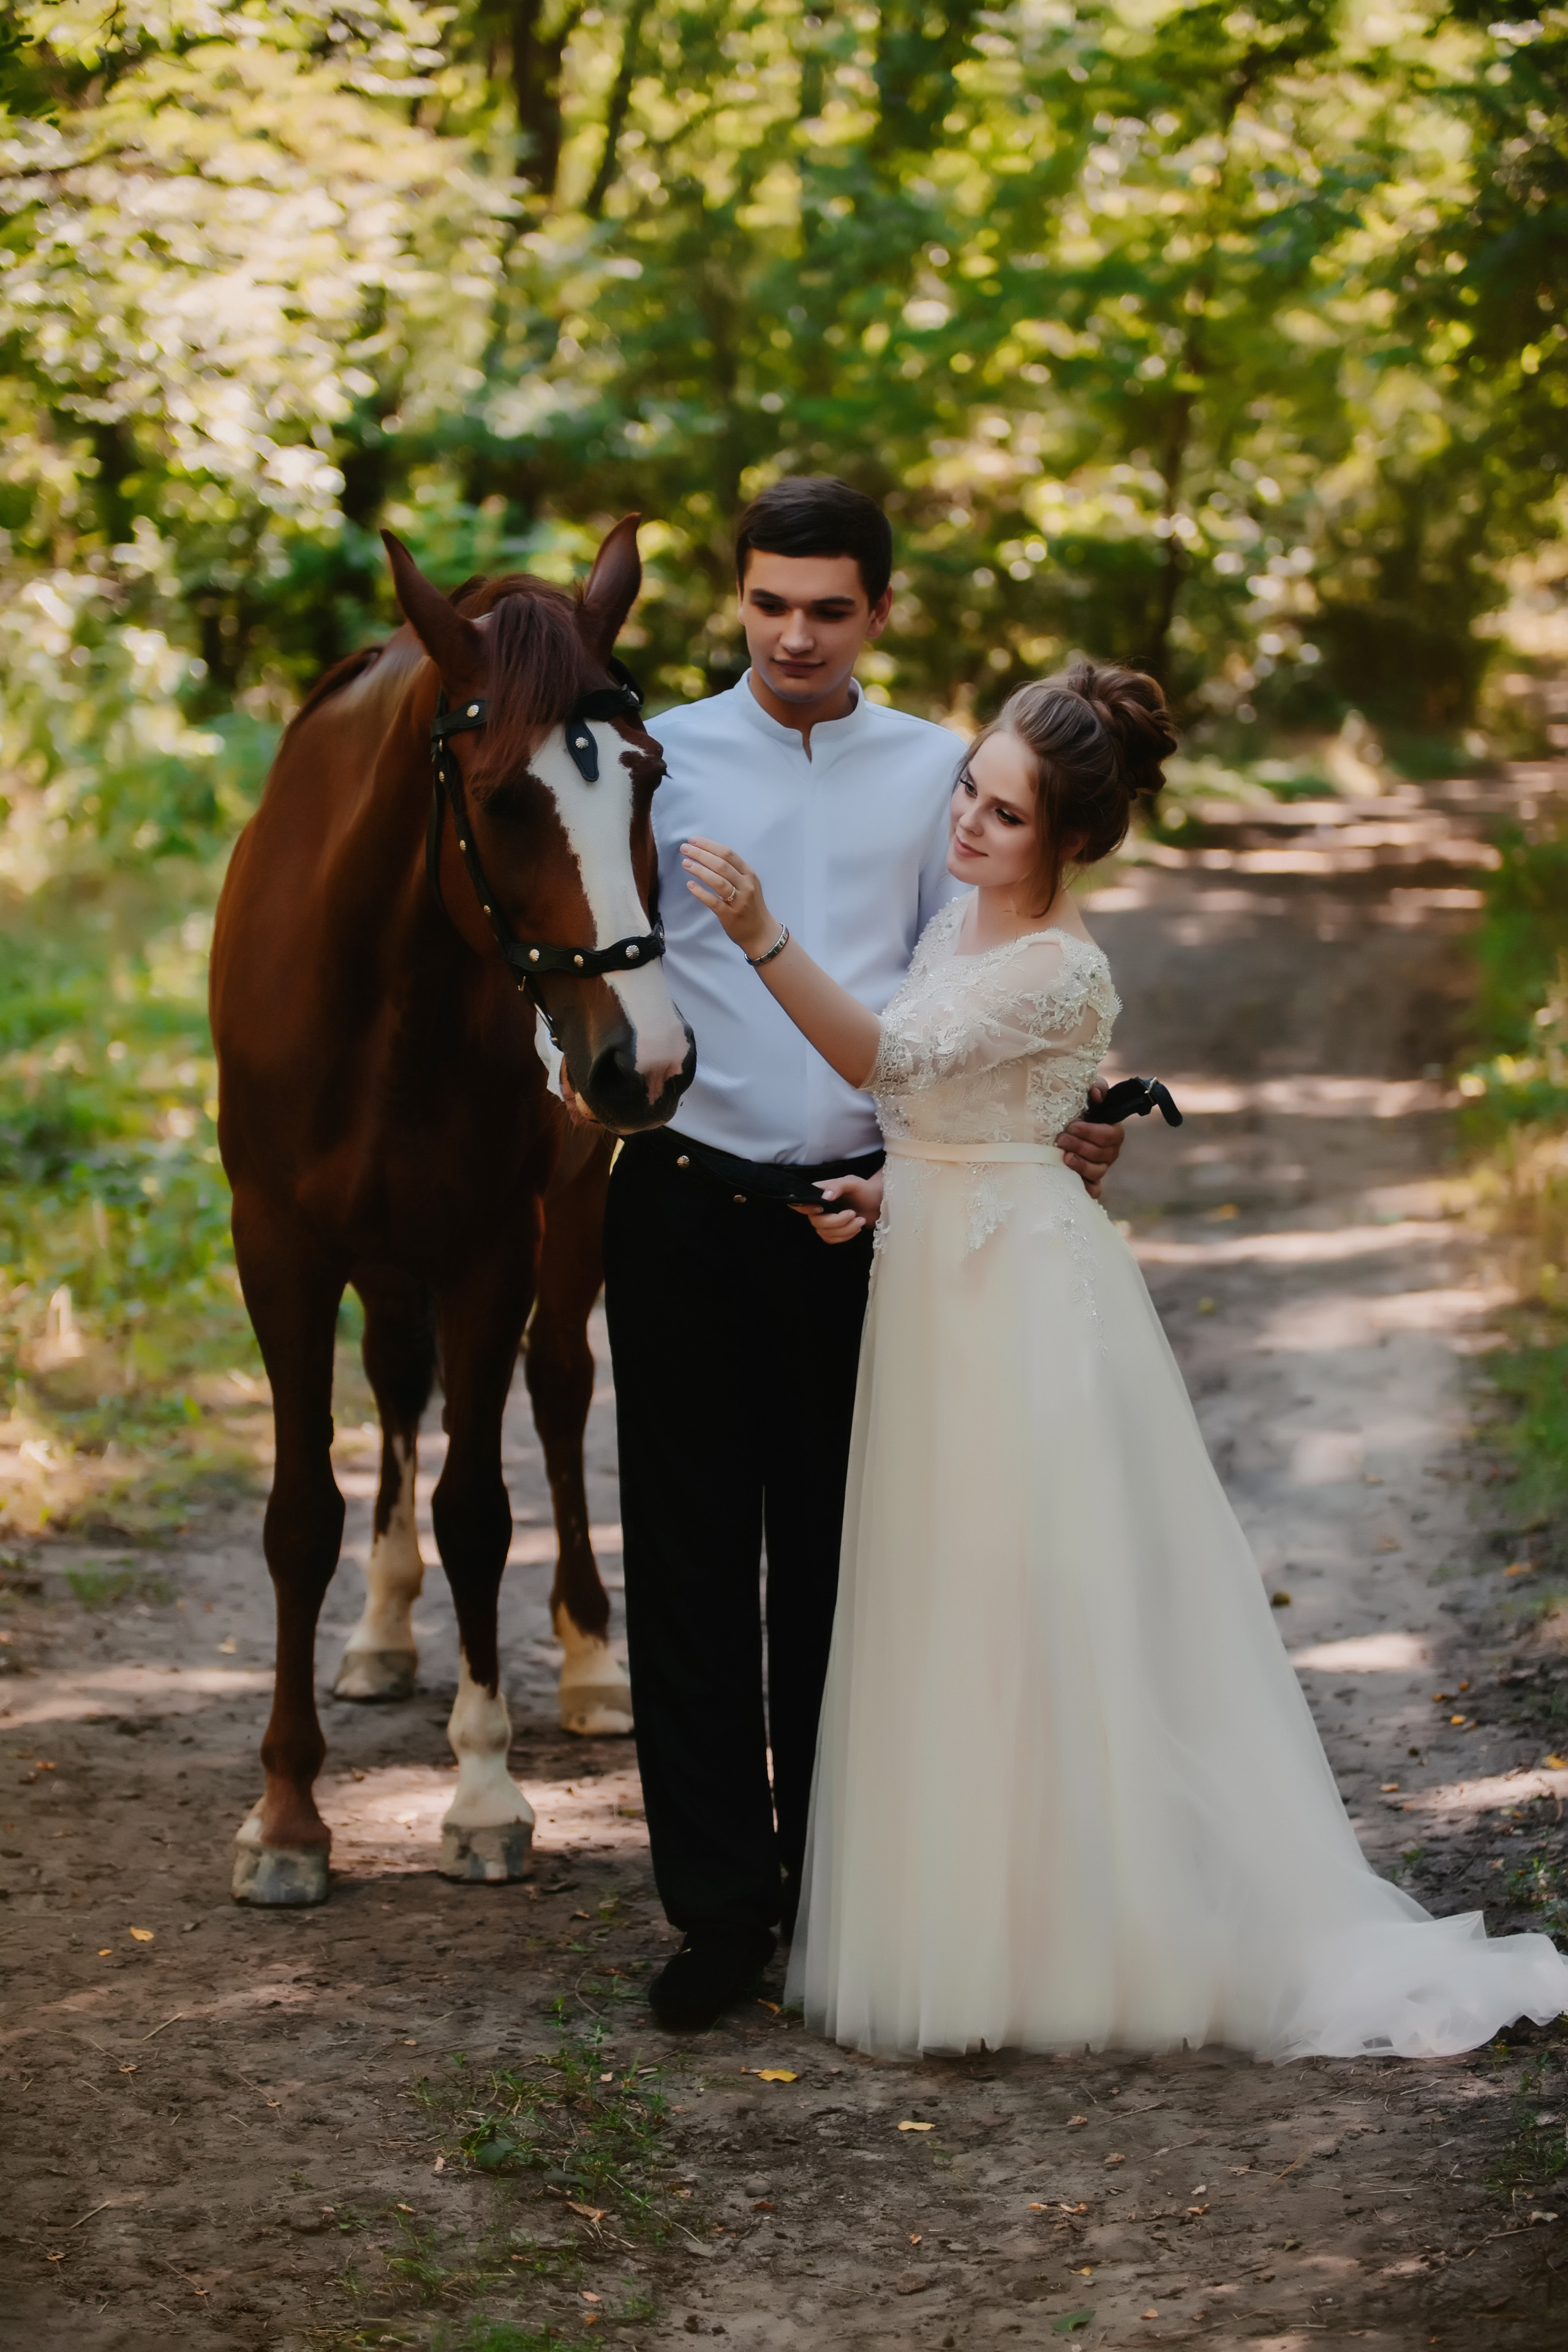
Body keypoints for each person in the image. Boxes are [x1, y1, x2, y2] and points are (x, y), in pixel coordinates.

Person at [682, 658, 1568, 2060]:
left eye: (1006, 815)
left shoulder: (1055, 962)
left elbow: (892, 1072)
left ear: (1072, 840)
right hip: (936, 1272)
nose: (967, 824)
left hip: (1016, 1304)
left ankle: (1089, 1940)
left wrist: (758, 930)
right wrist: (884, 1194)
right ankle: (984, 1920)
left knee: (1037, 1605)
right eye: (967, 791)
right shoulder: (960, 931)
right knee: (944, 1601)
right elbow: (956, 1129)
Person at [601, 479, 1125, 2032]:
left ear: (878, 614)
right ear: (735, 602)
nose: (796, 636)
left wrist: (1066, 1119)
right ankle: (714, 1913)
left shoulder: (932, 771)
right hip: (687, 1199)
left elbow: (976, 979)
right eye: (769, 603)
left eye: (829, 608)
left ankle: (841, 1890)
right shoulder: (660, 760)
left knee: (845, 1568)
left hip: (867, 1220)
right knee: (688, 1571)